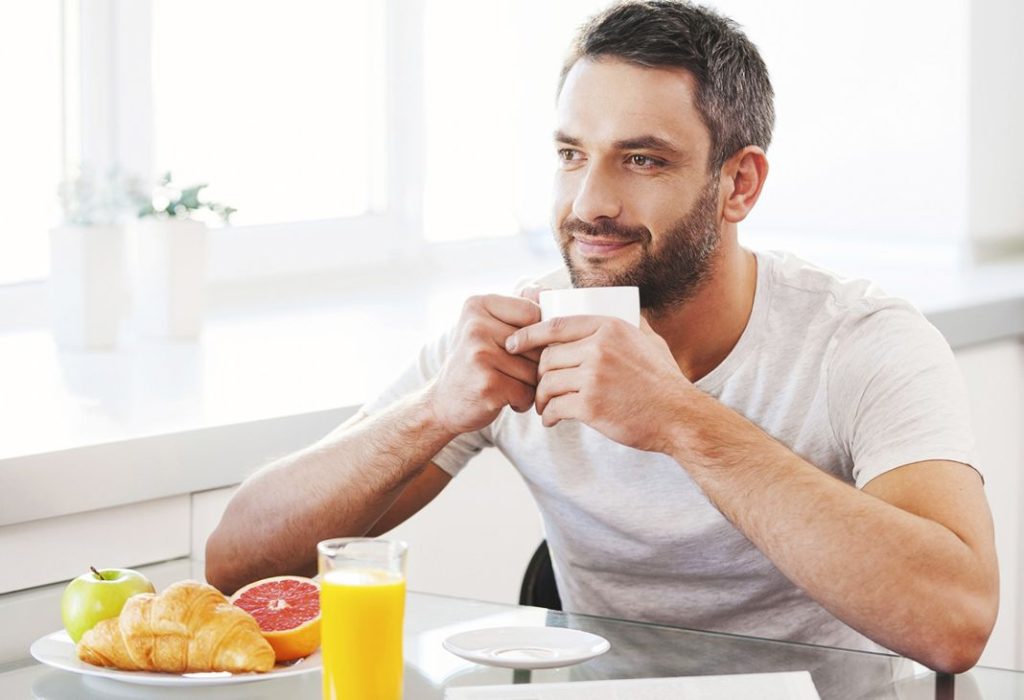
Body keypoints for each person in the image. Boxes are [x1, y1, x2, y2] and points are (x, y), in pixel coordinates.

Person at [206, 0, 998, 673]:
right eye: (569, 155)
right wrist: (433, 412)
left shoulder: (859, 342)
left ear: (740, 183)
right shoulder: (517, 334)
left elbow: (955, 622)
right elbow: (236, 565)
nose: (590, 202)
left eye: (642, 160)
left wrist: (681, 421)